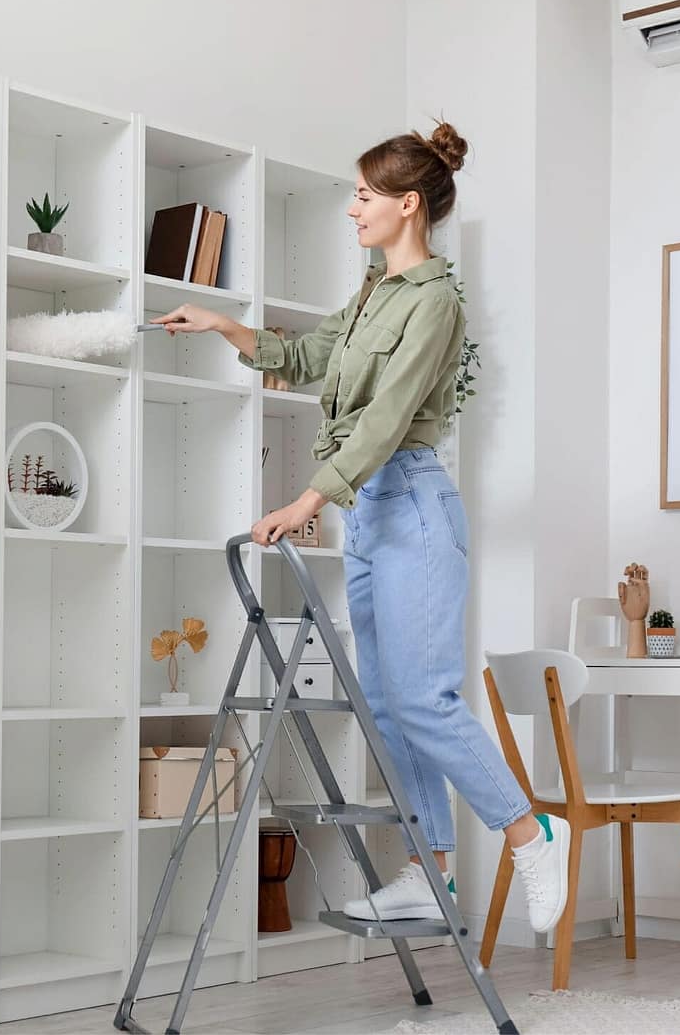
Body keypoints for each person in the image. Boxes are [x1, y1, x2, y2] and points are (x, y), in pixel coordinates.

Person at [151, 121, 569, 934]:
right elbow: (305, 356)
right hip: (371, 512)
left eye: (364, 196)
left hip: (410, 501)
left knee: (425, 697)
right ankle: (428, 869)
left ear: (407, 204)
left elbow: (384, 418)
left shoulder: (436, 301)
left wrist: (307, 502)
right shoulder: (375, 291)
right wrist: (222, 325)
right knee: (383, 699)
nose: (352, 209)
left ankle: (528, 830)